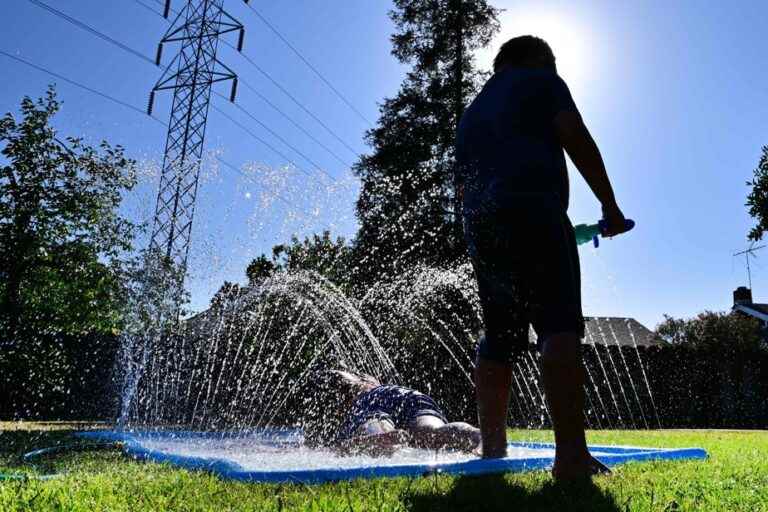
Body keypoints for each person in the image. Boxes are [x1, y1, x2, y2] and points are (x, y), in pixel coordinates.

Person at [455, 35, 630, 479]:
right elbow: (573, 133)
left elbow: (462, 186)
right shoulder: (541, 80)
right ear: (537, 59)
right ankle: (570, 456)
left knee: (498, 337)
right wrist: (609, 207)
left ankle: (491, 452)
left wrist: (482, 235)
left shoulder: (472, 111)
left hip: (482, 224)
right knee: (559, 326)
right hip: (535, 208)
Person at [314, 370, 481, 456]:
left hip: (369, 402)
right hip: (411, 396)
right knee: (432, 432)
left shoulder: (356, 401)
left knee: (374, 420)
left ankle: (383, 435)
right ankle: (476, 436)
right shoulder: (369, 381)